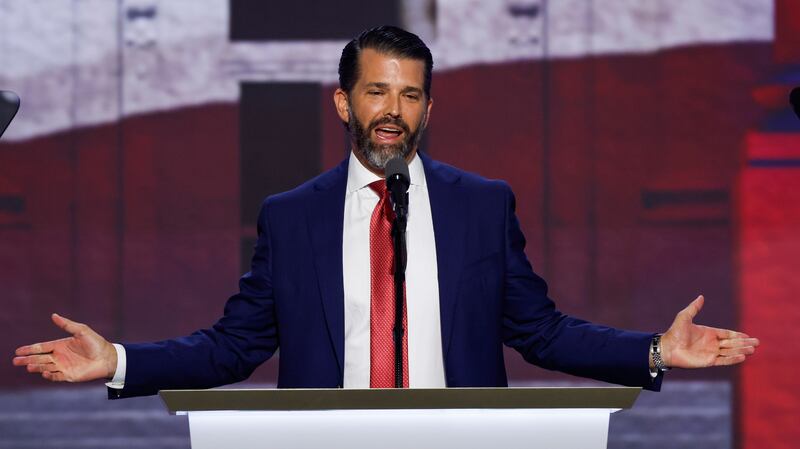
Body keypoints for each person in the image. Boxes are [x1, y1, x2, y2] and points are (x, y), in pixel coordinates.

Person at [13, 26, 758, 397]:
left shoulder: (483, 205)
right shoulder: (291, 217)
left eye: (410, 95)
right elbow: (232, 347)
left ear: (428, 107)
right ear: (344, 102)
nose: (393, 111)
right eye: (377, 92)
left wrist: (654, 352)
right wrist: (119, 361)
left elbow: (542, 331)